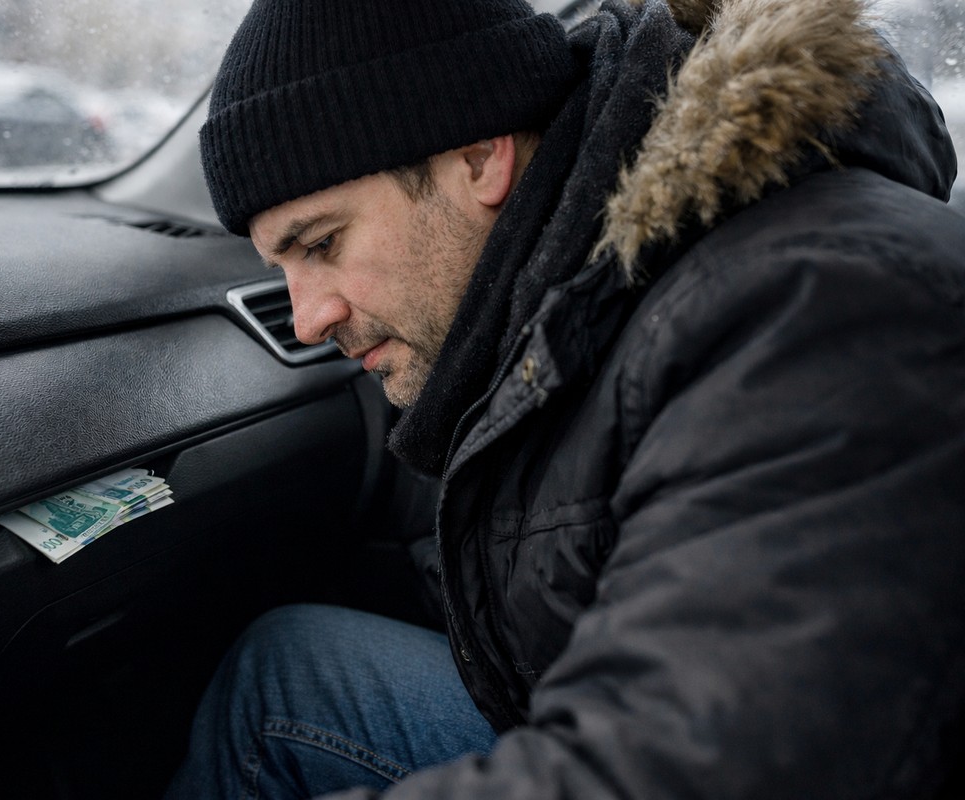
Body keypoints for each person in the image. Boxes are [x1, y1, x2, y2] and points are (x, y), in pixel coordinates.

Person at [168, 0, 965, 796]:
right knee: (283, 674)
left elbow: (687, 769)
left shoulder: (809, 309)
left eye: (322, 243)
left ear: (477, 158)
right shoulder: (573, 283)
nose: (308, 319)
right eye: (283, 269)